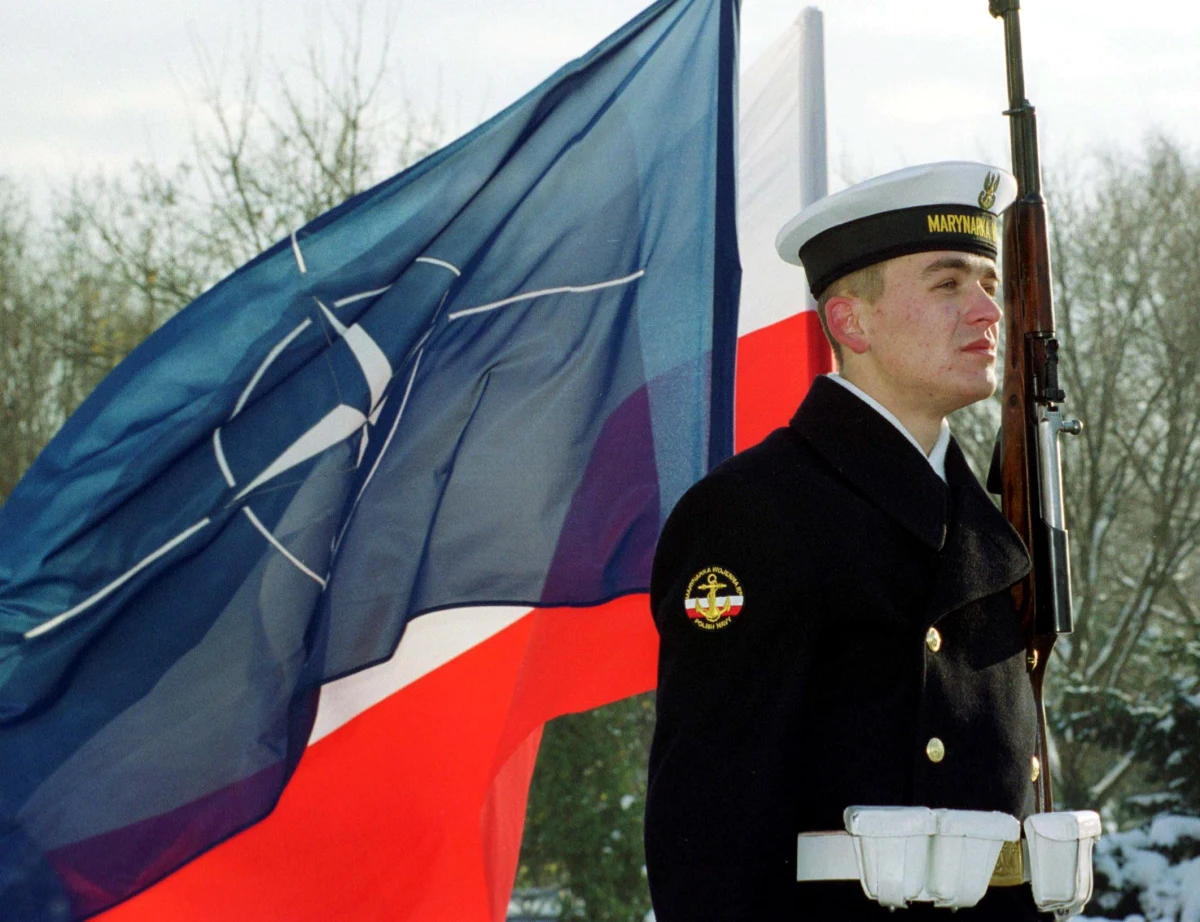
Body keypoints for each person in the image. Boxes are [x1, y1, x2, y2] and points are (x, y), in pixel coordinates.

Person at [644, 162, 1054, 920]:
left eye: (990, 284)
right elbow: (709, 842)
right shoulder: (753, 516)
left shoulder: (989, 529)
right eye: (948, 283)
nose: (988, 311)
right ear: (848, 322)